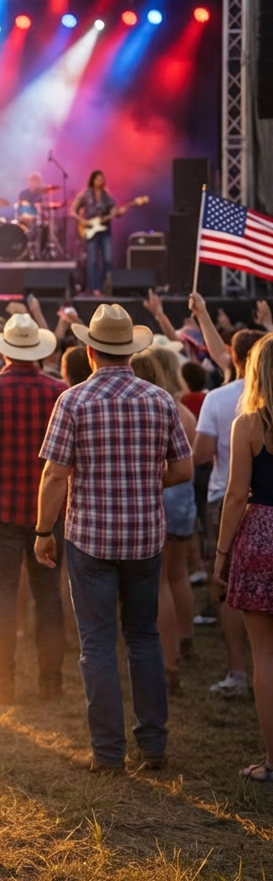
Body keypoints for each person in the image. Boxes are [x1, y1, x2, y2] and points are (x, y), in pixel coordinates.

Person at [35, 304, 192, 773]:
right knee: (144, 638)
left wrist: (44, 530)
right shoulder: (160, 399)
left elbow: (54, 474)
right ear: (130, 351)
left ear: (89, 351)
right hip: (145, 536)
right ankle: (154, 746)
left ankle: (108, 753)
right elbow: (183, 468)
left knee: (97, 643)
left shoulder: (74, 401)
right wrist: (146, 480)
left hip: (90, 539)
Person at [0, 314, 67, 704]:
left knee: (1, 597)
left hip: (0, 508)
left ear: (5, 347)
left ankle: (1, 682)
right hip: (48, 513)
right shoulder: (59, 392)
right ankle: (51, 683)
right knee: (48, 596)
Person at [194, 317, 265, 697]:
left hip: (235, 503)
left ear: (235, 358)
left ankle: (237, 671)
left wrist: (222, 555)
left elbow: (205, 458)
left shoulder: (226, 404)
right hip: (255, 506)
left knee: (233, 594)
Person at [215, 333, 273, 782]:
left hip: (261, 535)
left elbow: (235, 495)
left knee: (265, 656)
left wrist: (220, 556)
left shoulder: (248, 425)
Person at [147, 344, 199, 691]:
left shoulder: (155, 407)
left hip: (162, 492)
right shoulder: (182, 410)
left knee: (161, 582)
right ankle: (186, 638)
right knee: (179, 575)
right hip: (183, 497)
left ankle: (168, 664)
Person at [71, 170, 117, 296]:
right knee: (92, 261)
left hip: (104, 230)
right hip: (91, 229)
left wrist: (114, 213)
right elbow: (73, 209)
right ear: (93, 180)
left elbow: (114, 209)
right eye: (98, 179)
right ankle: (94, 288)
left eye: (102, 179)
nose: (100, 181)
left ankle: (103, 285)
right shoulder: (85, 194)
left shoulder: (107, 196)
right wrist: (82, 221)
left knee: (108, 259)